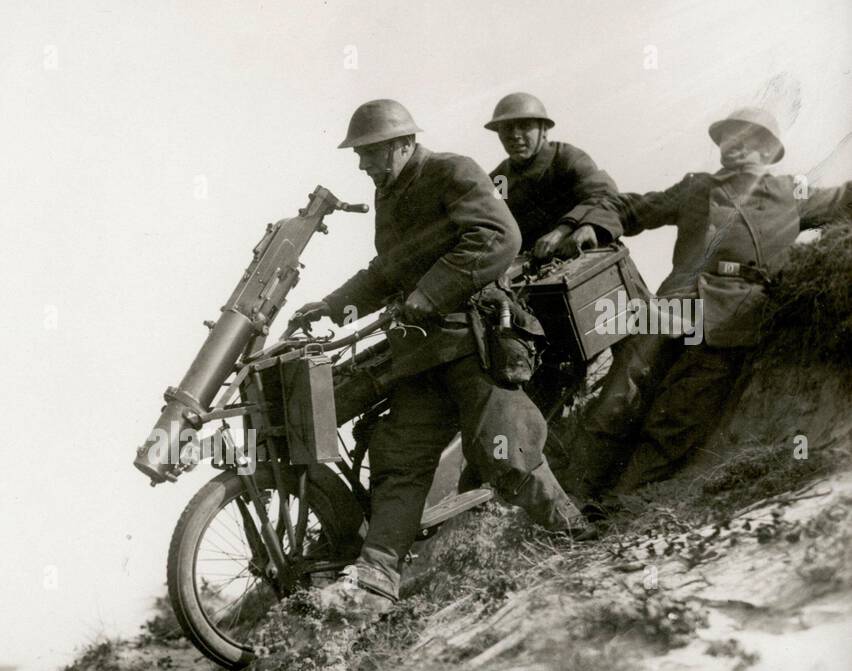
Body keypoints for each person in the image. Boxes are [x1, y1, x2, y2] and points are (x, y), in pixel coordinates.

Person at [289, 99, 590, 619]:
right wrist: (335, 304)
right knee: (399, 463)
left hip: (473, 341)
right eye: (360, 154)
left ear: (403, 144)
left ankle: (576, 538)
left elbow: (498, 237)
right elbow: (388, 270)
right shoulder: (391, 193)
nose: (363, 164)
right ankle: (378, 576)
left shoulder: (452, 171)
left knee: (506, 450)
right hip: (419, 356)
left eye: (370, 152)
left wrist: (426, 297)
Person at [566, 106, 852, 501]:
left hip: (736, 315)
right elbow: (630, 208)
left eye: (750, 141)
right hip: (676, 303)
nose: (736, 148)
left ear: (770, 151)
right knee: (620, 396)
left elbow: (845, 199)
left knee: (680, 416)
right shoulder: (697, 187)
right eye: (729, 140)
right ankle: (574, 503)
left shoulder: (792, 192)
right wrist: (587, 225)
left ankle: (618, 504)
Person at [484, 92, 623, 260]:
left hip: (592, 261)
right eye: (507, 128)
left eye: (524, 125)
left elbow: (606, 196)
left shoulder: (566, 158)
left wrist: (562, 230)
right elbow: (493, 225)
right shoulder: (501, 179)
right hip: (533, 272)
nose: (515, 135)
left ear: (544, 130)